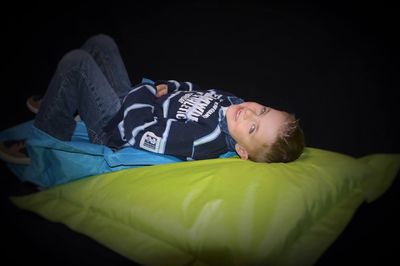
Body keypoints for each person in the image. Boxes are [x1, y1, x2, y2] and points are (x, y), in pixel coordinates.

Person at [0, 34, 304, 165]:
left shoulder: (204, 138)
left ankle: (48, 132)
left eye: (252, 129)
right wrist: (168, 86)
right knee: (101, 43)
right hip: (137, 101)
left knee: (77, 63)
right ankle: (61, 101)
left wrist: (147, 93)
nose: (249, 114)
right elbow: (194, 89)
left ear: (241, 151)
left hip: (116, 127)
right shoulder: (233, 103)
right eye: (262, 110)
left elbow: (139, 131)